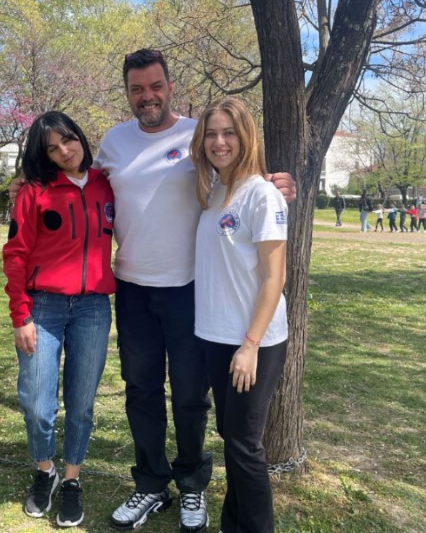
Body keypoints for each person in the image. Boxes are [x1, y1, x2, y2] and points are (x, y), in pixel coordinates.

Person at [97, 49, 296, 533]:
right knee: (141, 390)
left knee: (190, 396)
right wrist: (29, 182)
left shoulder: (198, 135)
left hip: (189, 292)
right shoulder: (114, 142)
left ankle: (191, 486)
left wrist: (278, 183)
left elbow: (243, 177)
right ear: (128, 93)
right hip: (133, 289)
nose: (147, 96)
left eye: (155, 86)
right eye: (137, 89)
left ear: (170, 87)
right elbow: (80, 182)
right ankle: (150, 483)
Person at [2, 111, 116, 528]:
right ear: (44, 155)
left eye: (69, 140)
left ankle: (71, 479)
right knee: (37, 403)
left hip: (93, 308)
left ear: (80, 137)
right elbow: (15, 254)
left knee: (81, 404)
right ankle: (45, 470)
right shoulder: (34, 191)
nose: (65, 151)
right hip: (42, 308)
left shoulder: (108, 183)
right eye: (53, 148)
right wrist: (20, 315)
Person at [190, 97, 288, 533]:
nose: (219, 142)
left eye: (228, 133)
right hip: (216, 335)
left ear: (246, 137)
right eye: (211, 133)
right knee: (232, 439)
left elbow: (274, 277)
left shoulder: (262, 195)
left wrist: (250, 345)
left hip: (253, 342)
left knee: (245, 445)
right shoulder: (213, 192)